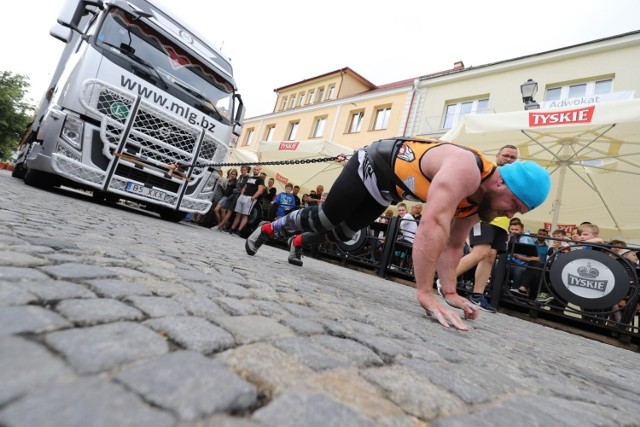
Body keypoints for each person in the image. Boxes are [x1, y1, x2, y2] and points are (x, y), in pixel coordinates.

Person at [244, 137, 551, 330]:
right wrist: (424, 292)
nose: (510, 215)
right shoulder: (465, 170)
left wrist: (451, 291)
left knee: (343, 234)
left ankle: (297, 242)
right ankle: (270, 228)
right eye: (514, 206)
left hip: (389, 189)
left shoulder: (478, 203)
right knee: (327, 217)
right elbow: (433, 226)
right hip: (373, 164)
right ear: (502, 185)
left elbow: (455, 243)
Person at [452, 144, 518, 313]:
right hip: (483, 216)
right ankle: (445, 279)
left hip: (502, 222)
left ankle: (477, 295)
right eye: (506, 156)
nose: (509, 160)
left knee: (489, 257)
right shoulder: (490, 172)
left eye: (513, 157)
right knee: (480, 252)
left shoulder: (516, 179)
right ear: (498, 156)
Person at [228, 165, 265, 236]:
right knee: (238, 214)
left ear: (259, 171)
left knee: (245, 215)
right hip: (243, 196)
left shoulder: (260, 179)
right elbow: (245, 187)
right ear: (253, 170)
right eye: (254, 169)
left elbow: (260, 190)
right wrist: (241, 195)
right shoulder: (250, 178)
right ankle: (232, 229)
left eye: (257, 170)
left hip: (250, 198)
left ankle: (238, 231)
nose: (255, 171)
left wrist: (253, 198)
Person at [217, 165, 249, 231]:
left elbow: (245, 188)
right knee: (223, 209)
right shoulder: (240, 177)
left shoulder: (248, 178)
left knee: (229, 211)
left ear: (247, 170)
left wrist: (241, 195)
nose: (243, 171)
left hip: (238, 194)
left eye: (244, 170)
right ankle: (222, 225)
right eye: (242, 170)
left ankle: (220, 226)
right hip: (233, 194)